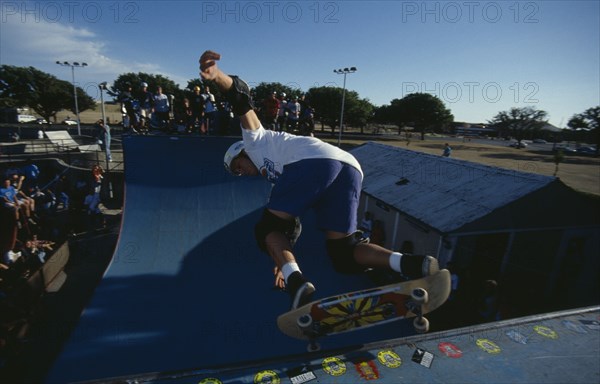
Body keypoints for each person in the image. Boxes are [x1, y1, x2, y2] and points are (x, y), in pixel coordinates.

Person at [199, 50, 439, 309]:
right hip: (348, 168)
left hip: (314, 161)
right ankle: (410, 263)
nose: (240, 173)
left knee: (265, 228)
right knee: (343, 253)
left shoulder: (256, 141)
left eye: (237, 166)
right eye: (236, 173)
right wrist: (283, 263)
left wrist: (216, 77)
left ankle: (296, 283)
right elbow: (293, 226)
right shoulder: (279, 177)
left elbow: (240, 98)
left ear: (242, 152)